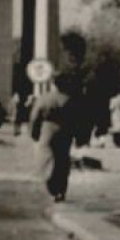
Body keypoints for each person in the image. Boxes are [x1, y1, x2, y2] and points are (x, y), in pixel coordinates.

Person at [30, 74, 77, 202]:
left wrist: (34, 132)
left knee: (46, 158)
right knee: (63, 160)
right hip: (65, 130)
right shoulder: (70, 99)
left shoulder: (45, 98)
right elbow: (77, 119)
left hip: (47, 129)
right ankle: (61, 190)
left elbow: (35, 117)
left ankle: (51, 184)